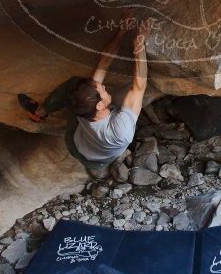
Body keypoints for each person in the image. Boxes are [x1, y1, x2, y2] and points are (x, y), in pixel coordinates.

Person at [18, 21, 150, 179]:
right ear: (100, 105)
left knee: (75, 85)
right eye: (103, 90)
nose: (105, 87)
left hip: (74, 145)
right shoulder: (122, 130)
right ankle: (42, 112)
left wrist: (121, 33)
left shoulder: (82, 107)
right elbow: (139, 86)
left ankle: (41, 111)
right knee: (78, 86)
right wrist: (139, 43)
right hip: (98, 161)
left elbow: (103, 64)